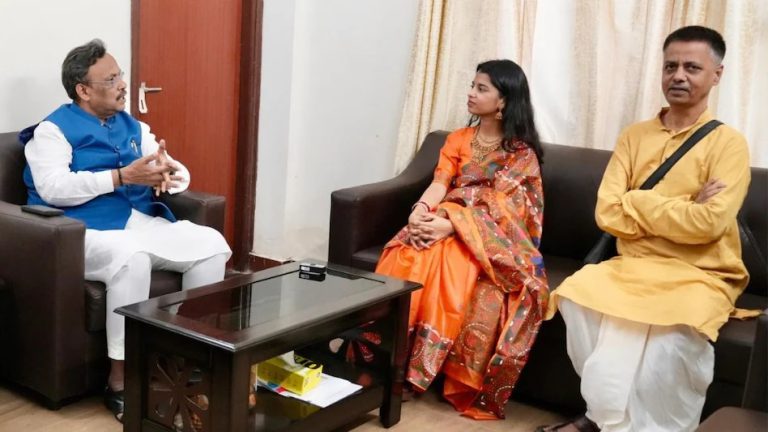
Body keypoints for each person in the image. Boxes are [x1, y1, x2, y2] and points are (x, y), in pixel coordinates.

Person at [539, 26, 753, 432]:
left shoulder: (729, 144)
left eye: (692, 67)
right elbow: (607, 212)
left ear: (717, 75)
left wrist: (636, 201)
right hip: (633, 265)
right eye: (671, 66)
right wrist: (685, 206)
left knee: (667, 345)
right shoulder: (634, 136)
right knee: (577, 295)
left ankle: (621, 425)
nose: (678, 75)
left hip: (699, 273)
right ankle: (608, 419)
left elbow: (709, 224)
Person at [20, 39, 231, 422]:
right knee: (130, 258)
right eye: (111, 79)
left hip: (135, 220)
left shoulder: (133, 125)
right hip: (79, 230)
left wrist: (167, 173)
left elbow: (176, 171)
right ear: (84, 90)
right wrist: (120, 177)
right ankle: (120, 381)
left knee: (211, 244)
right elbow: (54, 188)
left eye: (121, 75)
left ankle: (183, 357)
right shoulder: (51, 131)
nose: (122, 85)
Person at [375, 59, 548, 419]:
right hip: (446, 216)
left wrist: (454, 226)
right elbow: (441, 182)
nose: (471, 93)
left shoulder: (521, 155)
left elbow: (511, 211)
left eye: (481, 88)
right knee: (405, 252)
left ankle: (414, 373)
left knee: (448, 267)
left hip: (488, 238)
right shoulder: (458, 139)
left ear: (503, 101)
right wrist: (420, 211)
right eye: (472, 85)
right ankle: (385, 362)